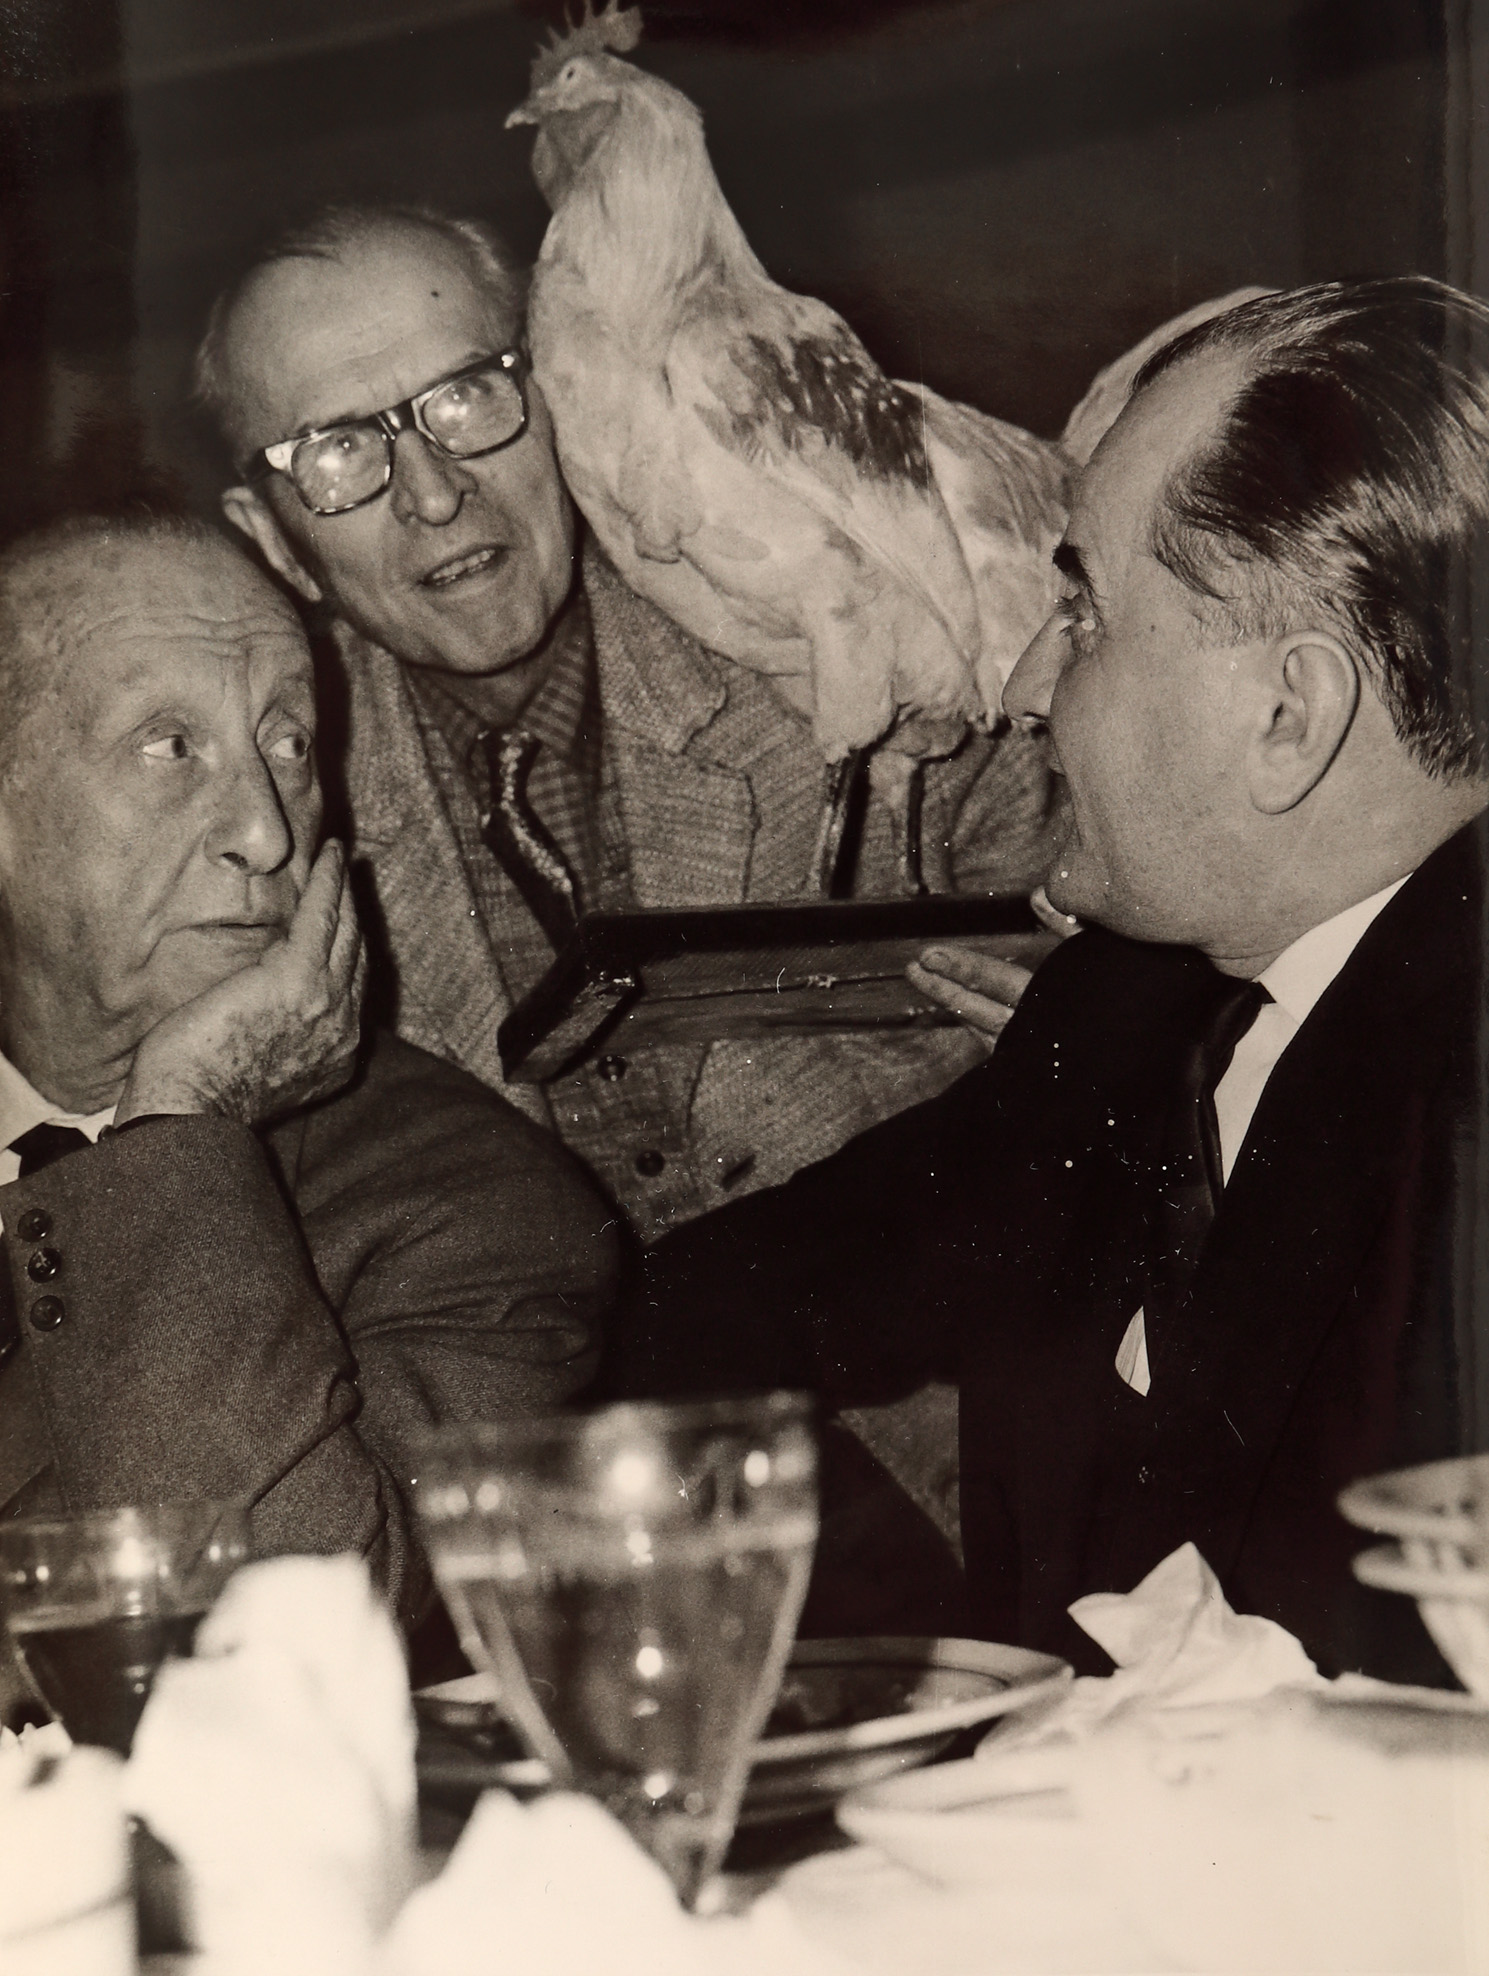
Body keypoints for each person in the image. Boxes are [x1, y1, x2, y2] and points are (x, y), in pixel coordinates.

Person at [601, 277, 1489, 1685]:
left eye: (1083, 616)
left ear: (1288, 717)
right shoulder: (1136, 1004)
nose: (1019, 686)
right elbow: (721, 1306)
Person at [192, 202, 1059, 1248]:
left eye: (466, 397)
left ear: (558, 393)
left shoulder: (855, 625)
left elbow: (1094, 994)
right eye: (336, 454)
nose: (434, 494)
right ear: (274, 543)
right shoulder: (263, 833)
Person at [0, 507, 616, 1716]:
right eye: (171, 746)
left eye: (288, 744)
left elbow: (268, 1653)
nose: (266, 830)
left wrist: (182, 1122)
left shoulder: (474, 1209)